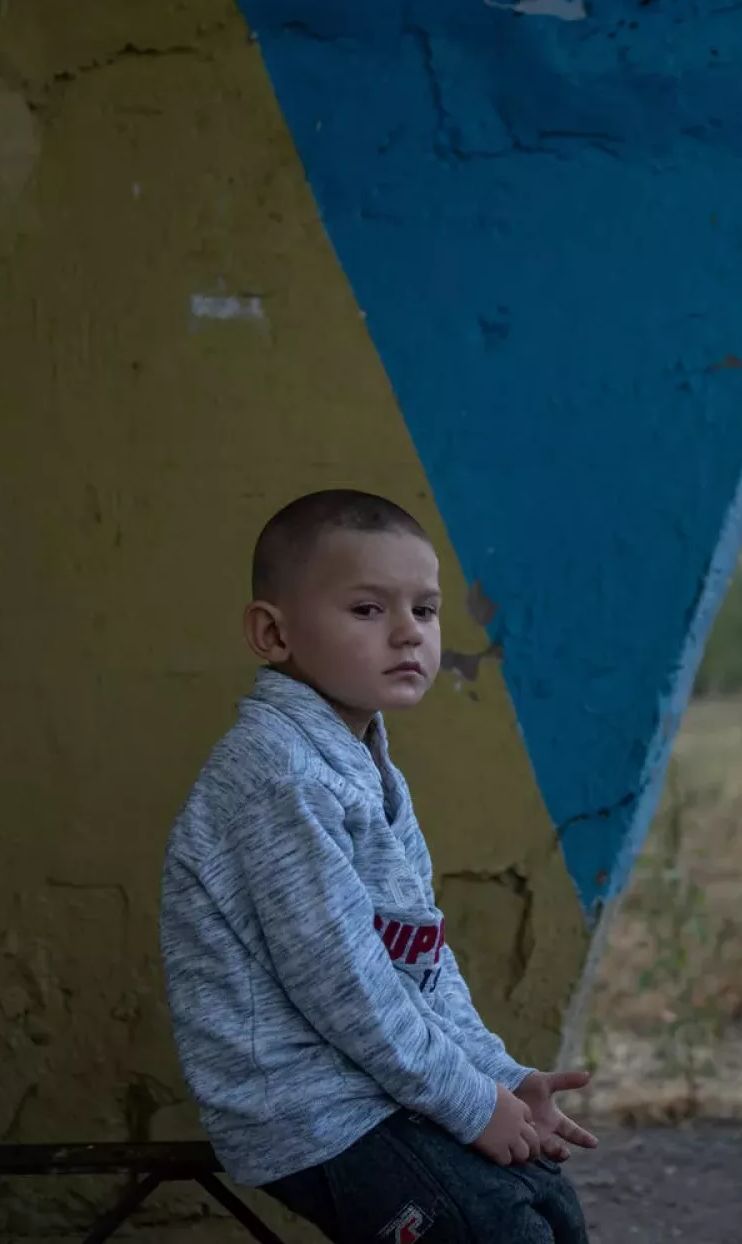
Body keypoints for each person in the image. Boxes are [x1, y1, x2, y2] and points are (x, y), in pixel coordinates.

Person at [160, 489, 595, 1243]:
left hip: (374, 1085)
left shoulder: (365, 766)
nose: (407, 633)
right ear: (273, 633)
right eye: (367, 610)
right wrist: (470, 1102)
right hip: (308, 1107)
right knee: (496, 1230)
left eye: (424, 610)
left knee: (550, 1202)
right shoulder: (280, 775)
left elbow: (421, 962)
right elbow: (347, 988)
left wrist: (499, 1076)